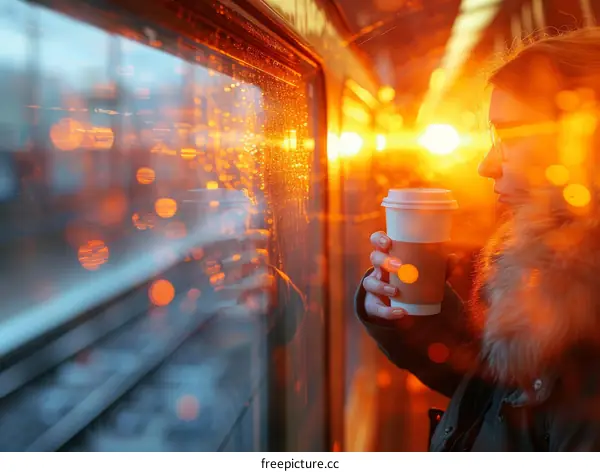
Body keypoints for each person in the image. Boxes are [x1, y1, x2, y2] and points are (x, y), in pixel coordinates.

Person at [356, 27, 600, 451]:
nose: (486, 166)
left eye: (508, 137)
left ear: (586, 139)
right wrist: (412, 313)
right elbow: (496, 391)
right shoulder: (545, 272)